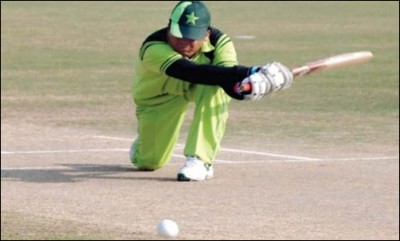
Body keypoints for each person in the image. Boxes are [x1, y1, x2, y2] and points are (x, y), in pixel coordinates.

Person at [130, 1, 293, 181]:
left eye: (191, 38)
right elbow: (188, 71)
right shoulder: (153, 46)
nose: (184, 43)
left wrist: (250, 86)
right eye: (179, 35)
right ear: (169, 27)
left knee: (215, 86)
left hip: (201, 87)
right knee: (149, 162)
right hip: (159, 97)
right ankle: (143, 146)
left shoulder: (220, 43)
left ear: (206, 34)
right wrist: (251, 71)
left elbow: (228, 82)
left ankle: (201, 160)